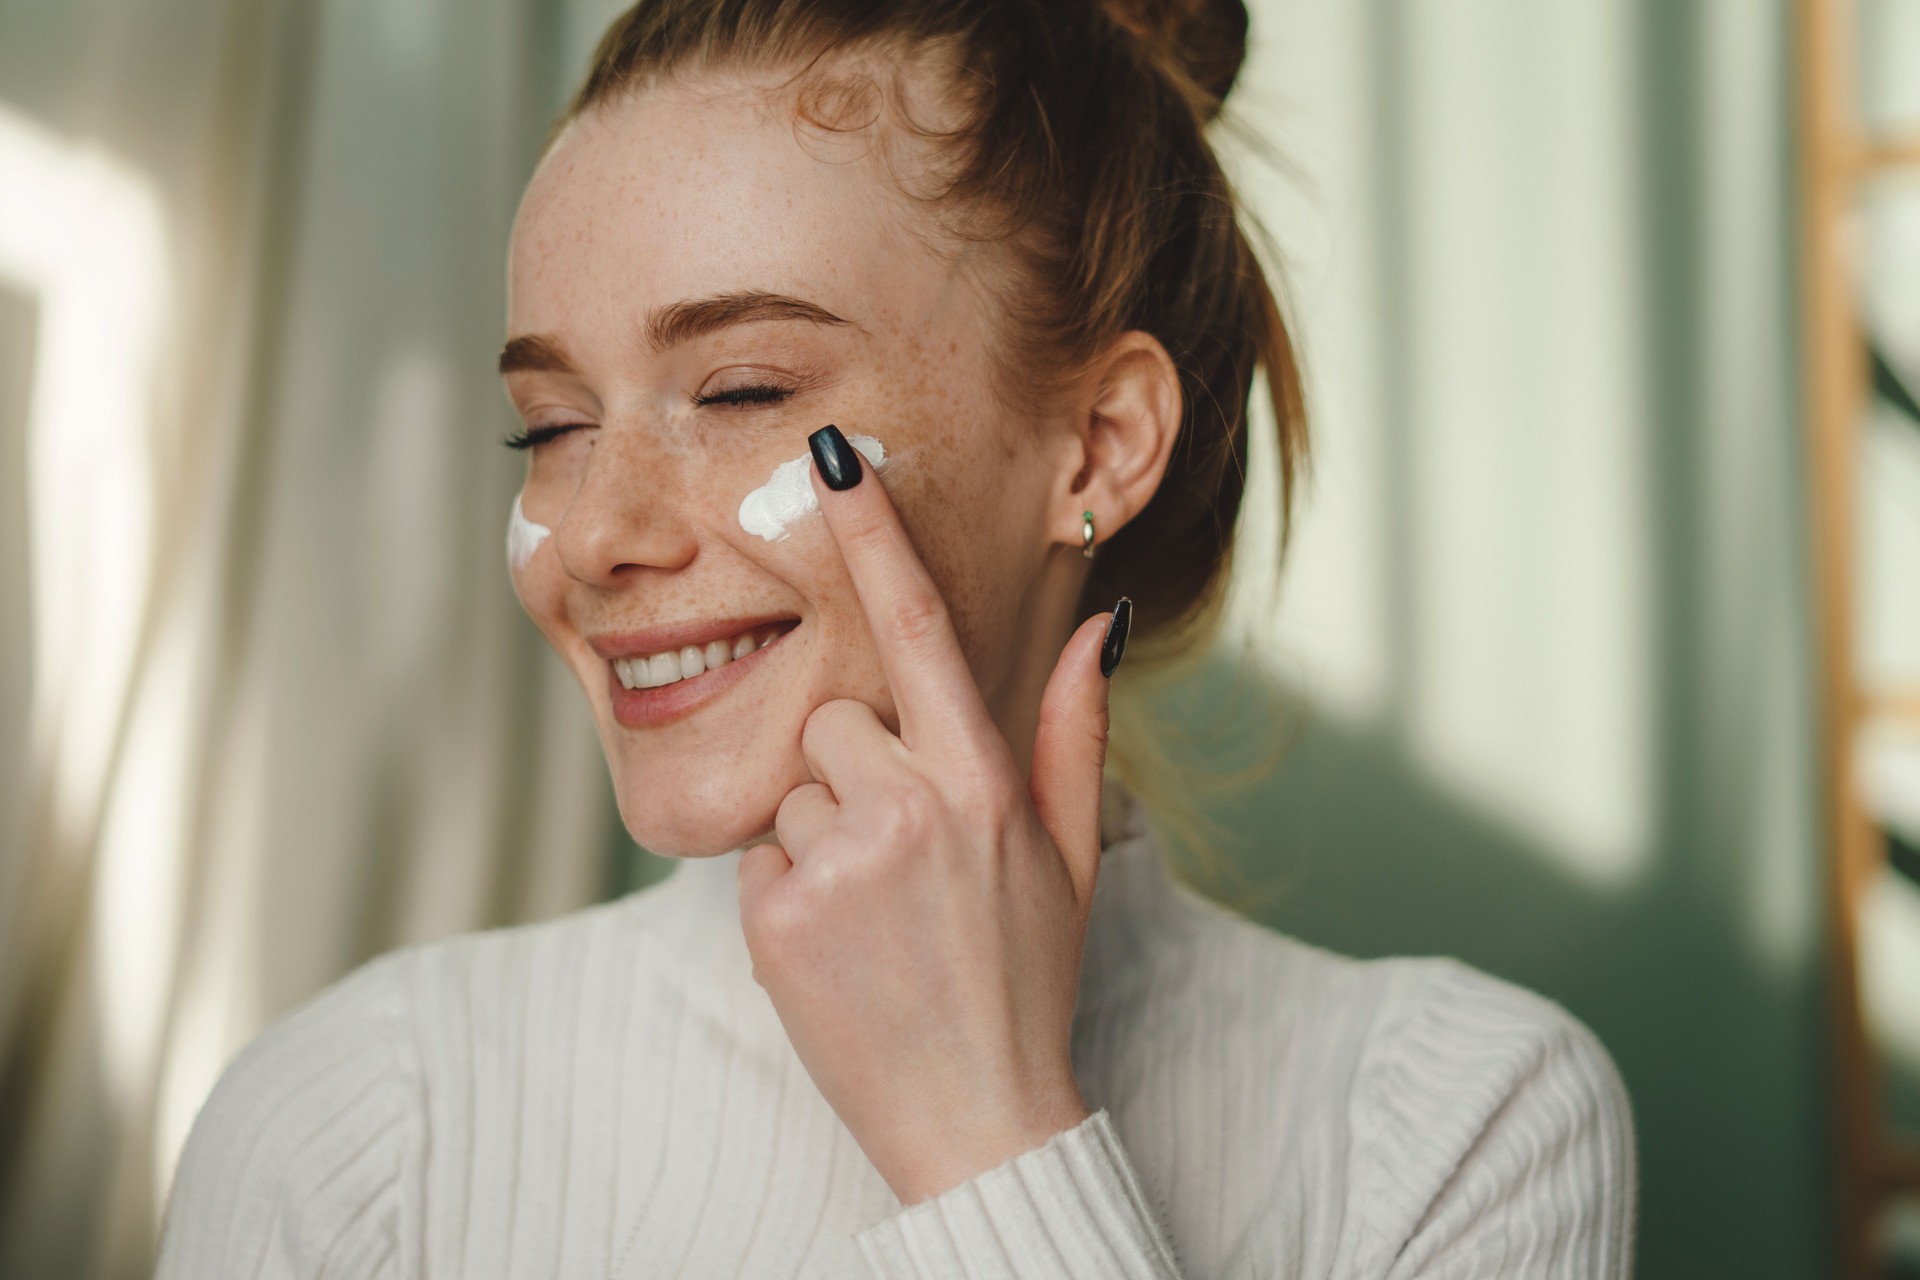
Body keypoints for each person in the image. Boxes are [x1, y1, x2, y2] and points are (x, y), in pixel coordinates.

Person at [154, 0, 1638, 1275]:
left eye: (740, 391)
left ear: (1101, 444)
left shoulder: (1459, 1127)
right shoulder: (358, 1125)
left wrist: (988, 1140)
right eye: (549, 425)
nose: (597, 533)